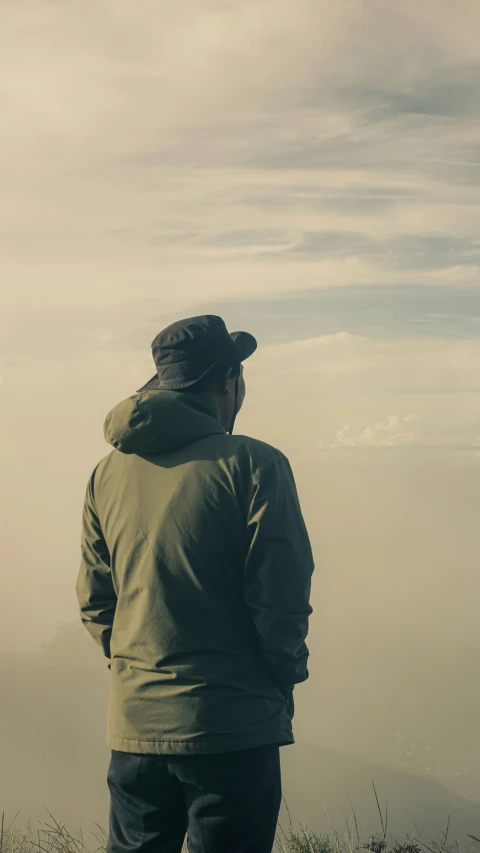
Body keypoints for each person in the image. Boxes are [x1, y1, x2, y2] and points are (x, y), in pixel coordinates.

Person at [75, 314, 315, 853]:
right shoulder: (254, 464)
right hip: (231, 727)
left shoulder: (106, 473)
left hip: (135, 727)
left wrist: (139, 668)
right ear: (227, 379)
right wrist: (282, 679)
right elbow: (280, 597)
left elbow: (95, 600)